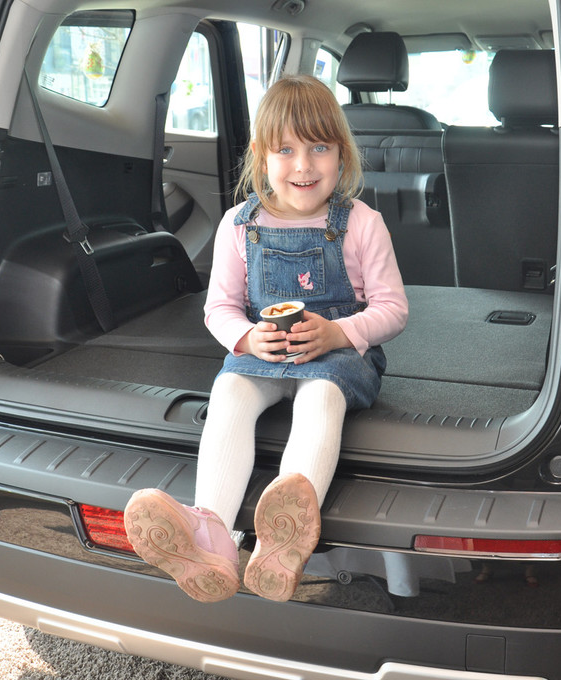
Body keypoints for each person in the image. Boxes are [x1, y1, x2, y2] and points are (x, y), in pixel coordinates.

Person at [123, 74, 408, 603]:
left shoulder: (361, 223)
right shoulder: (240, 224)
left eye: (319, 148)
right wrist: (247, 339)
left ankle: (285, 539)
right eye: (286, 150)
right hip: (264, 354)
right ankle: (211, 536)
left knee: (320, 397)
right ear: (261, 155)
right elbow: (219, 309)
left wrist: (339, 332)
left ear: (341, 154)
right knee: (230, 390)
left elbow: (393, 310)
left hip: (338, 357)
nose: (304, 166)